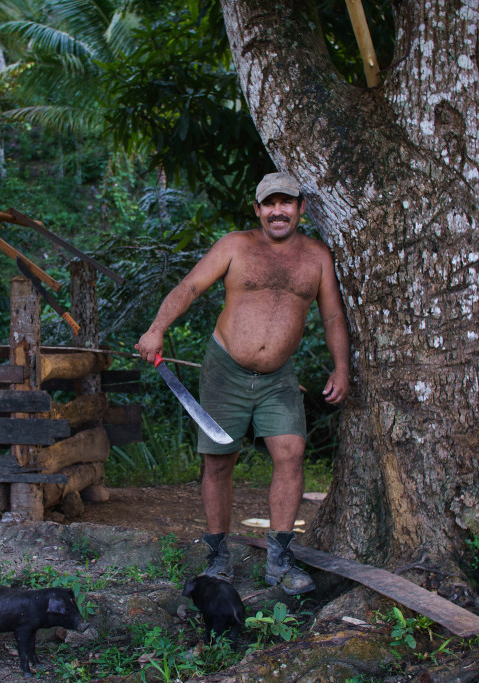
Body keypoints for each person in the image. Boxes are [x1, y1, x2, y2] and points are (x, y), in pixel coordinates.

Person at [135, 171, 350, 594]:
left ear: (300, 208)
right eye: (269, 203)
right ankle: (217, 560)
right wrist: (157, 328)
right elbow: (190, 285)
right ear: (258, 209)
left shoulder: (317, 257)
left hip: (278, 377)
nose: (277, 211)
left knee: (291, 453)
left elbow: (332, 317)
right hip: (225, 369)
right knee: (218, 461)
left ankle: (280, 562)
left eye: (286, 202)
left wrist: (341, 367)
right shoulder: (235, 246)